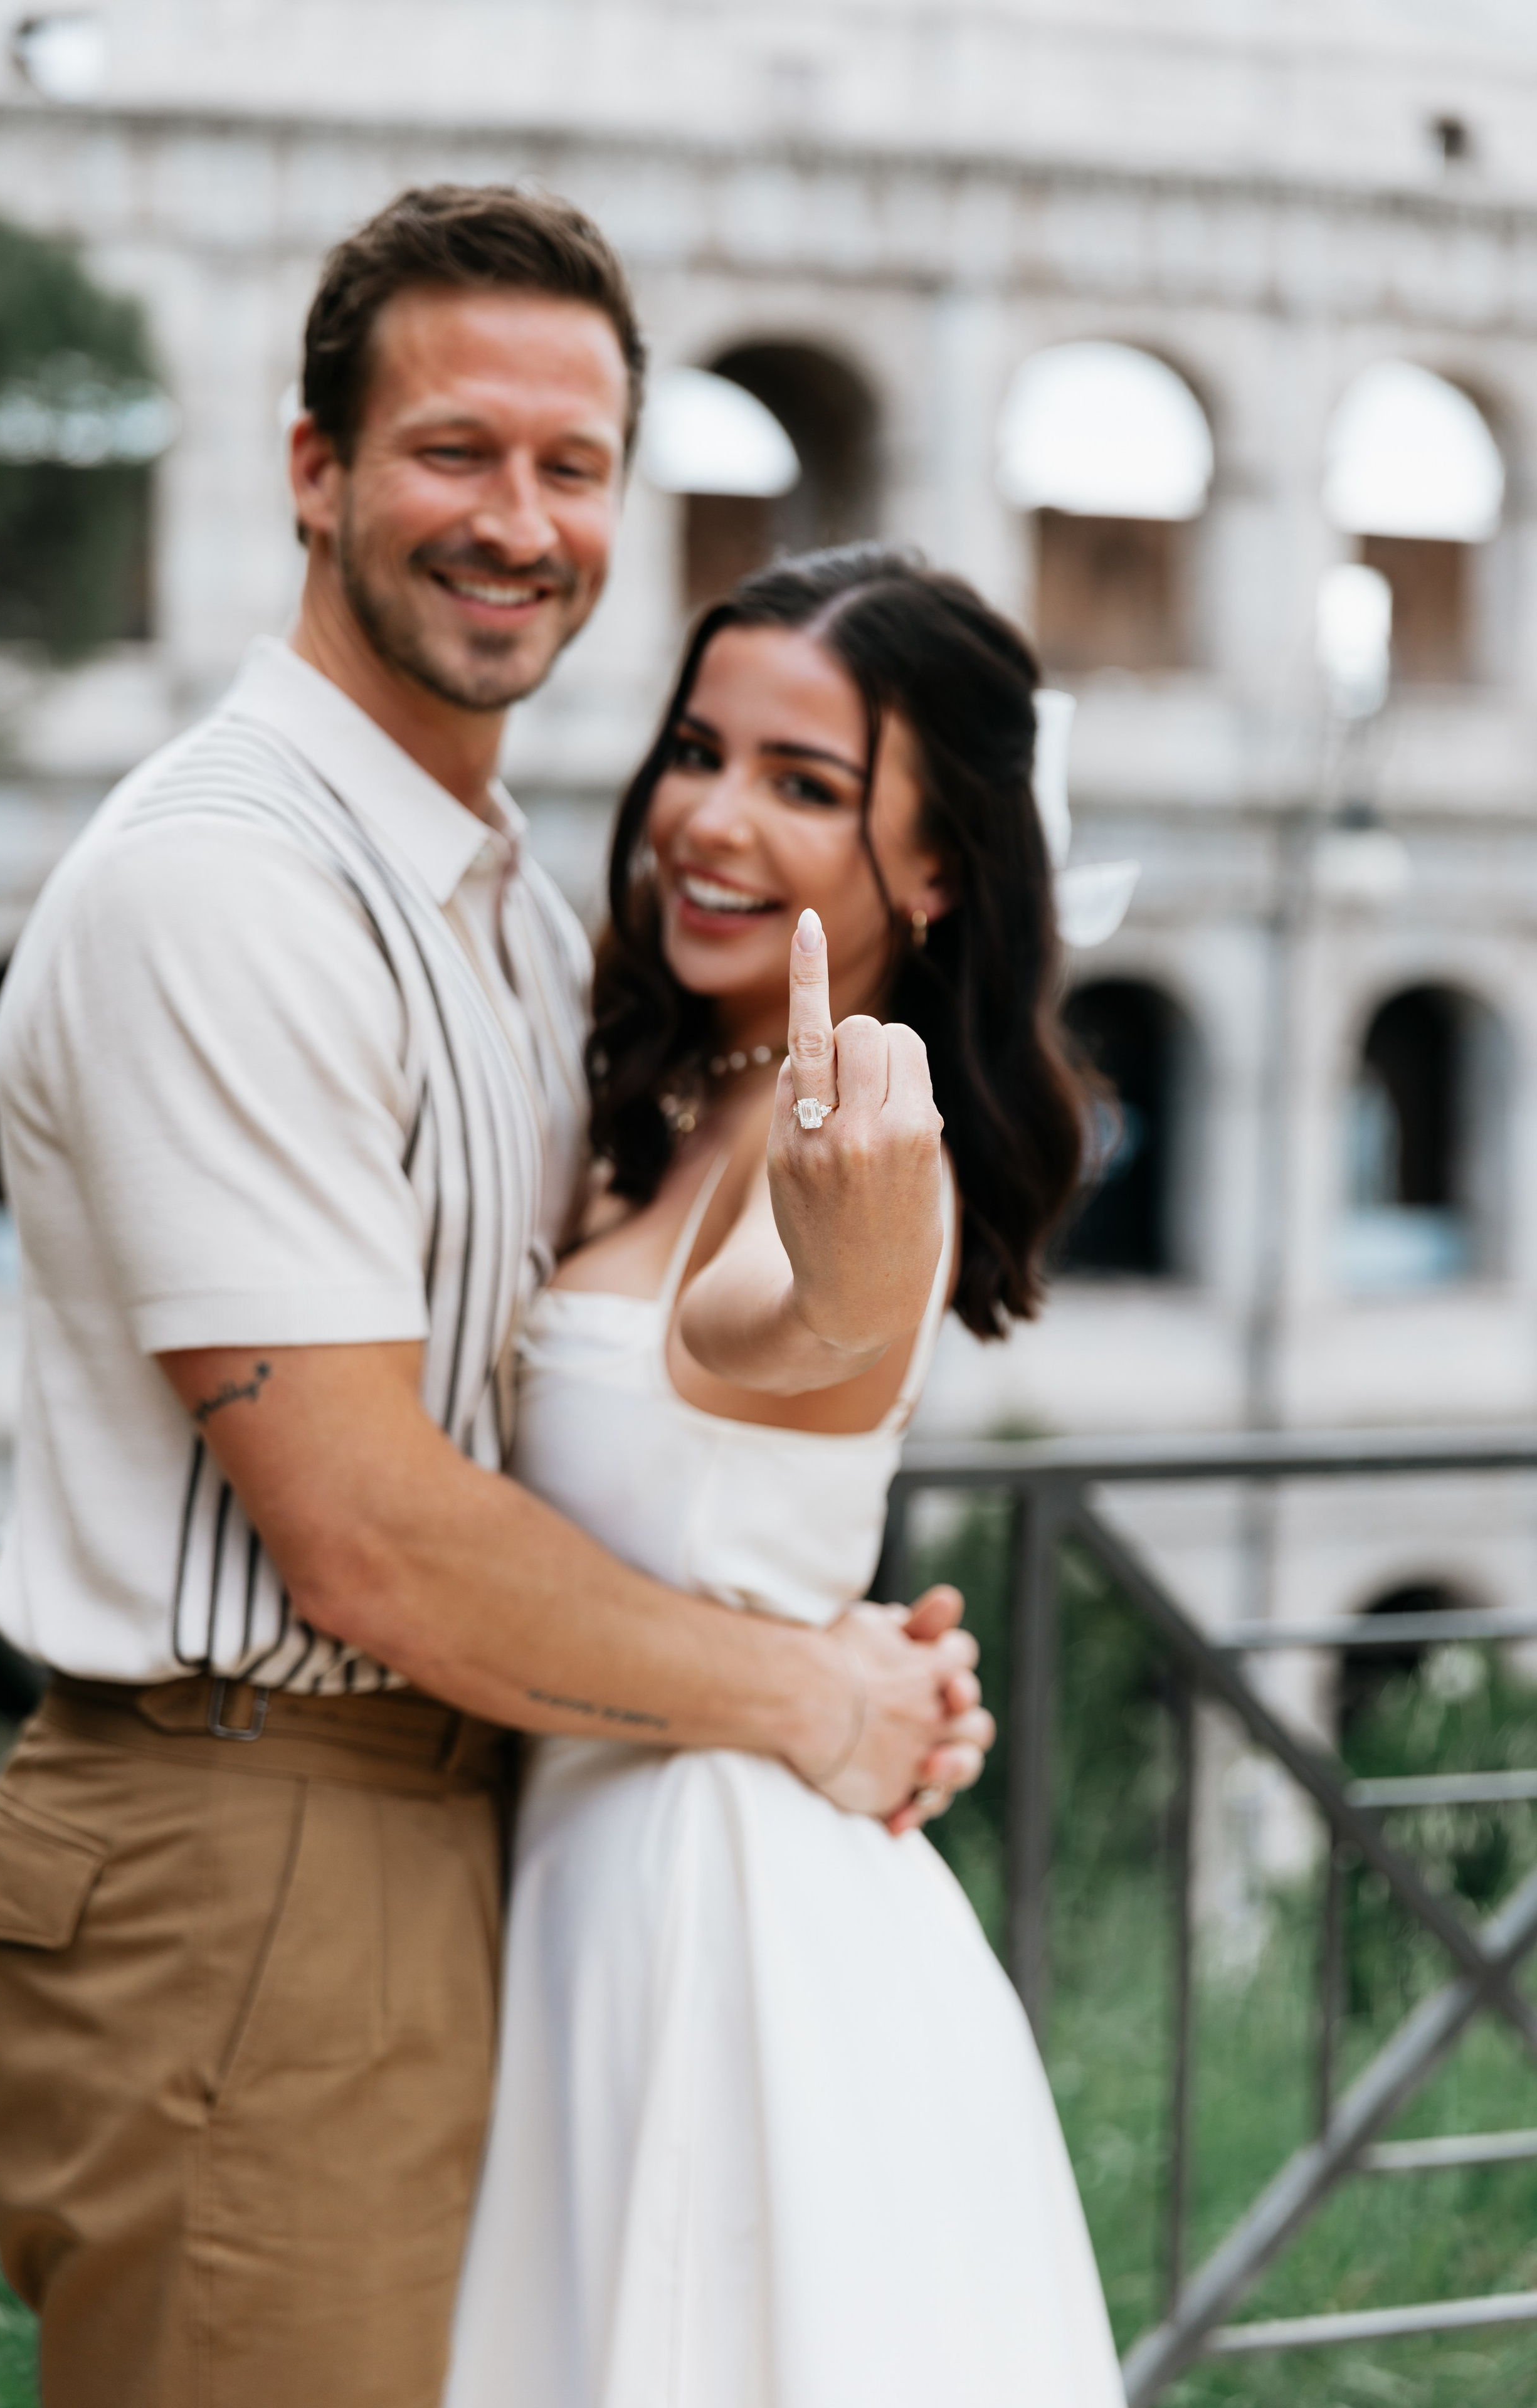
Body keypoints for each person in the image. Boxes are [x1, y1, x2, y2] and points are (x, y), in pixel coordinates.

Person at [0, 190, 988, 2408]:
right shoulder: (230, 883)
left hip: (473, 1827)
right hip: (256, 1842)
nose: (518, 521)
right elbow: (371, 1528)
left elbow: (692, 1374)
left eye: (574, 466)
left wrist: (820, 1621)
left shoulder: (509, 911)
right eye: (452, 451)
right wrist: (803, 1696)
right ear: (311, 472)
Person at [445, 545, 1127, 2408]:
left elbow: (767, 1331)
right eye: (697, 750)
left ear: (932, 870)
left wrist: (851, 1257)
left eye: (805, 784)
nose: (712, 820)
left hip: (726, 1939)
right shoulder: (671, 1099)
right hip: (595, 1876)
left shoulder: (845, 1148)